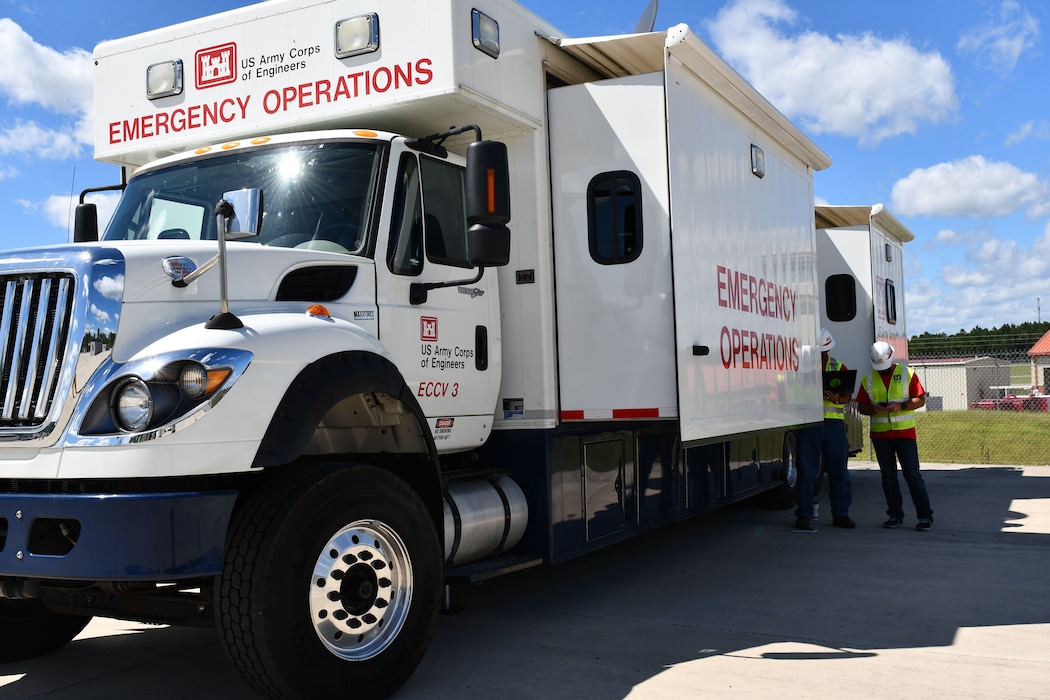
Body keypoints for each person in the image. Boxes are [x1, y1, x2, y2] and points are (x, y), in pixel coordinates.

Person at [856, 341, 934, 531]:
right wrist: (872, 409)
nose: (882, 371)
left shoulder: (907, 374)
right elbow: (861, 407)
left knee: (912, 476)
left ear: (891, 358)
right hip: (881, 436)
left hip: (905, 434)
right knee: (888, 477)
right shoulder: (868, 379)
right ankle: (894, 515)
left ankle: (925, 517)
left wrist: (901, 406)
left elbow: (920, 399)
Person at [793, 328, 854, 532]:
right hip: (809, 424)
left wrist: (837, 398)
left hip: (833, 425)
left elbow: (847, 396)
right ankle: (804, 513)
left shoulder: (838, 366)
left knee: (838, 471)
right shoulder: (800, 367)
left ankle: (841, 514)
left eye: (824, 351)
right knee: (807, 471)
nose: (822, 355)